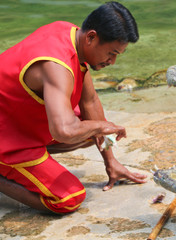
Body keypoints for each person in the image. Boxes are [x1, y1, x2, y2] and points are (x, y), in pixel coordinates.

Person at [0, 1, 147, 214]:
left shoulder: (71, 35)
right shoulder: (56, 67)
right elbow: (64, 131)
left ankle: (27, 164)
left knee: (90, 132)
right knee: (68, 198)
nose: (112, 61)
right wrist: (100, 126)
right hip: (7, 135)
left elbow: (90, 102)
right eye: (111, 53)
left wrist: (110, 161)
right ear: (91, 37)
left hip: (14, 119)